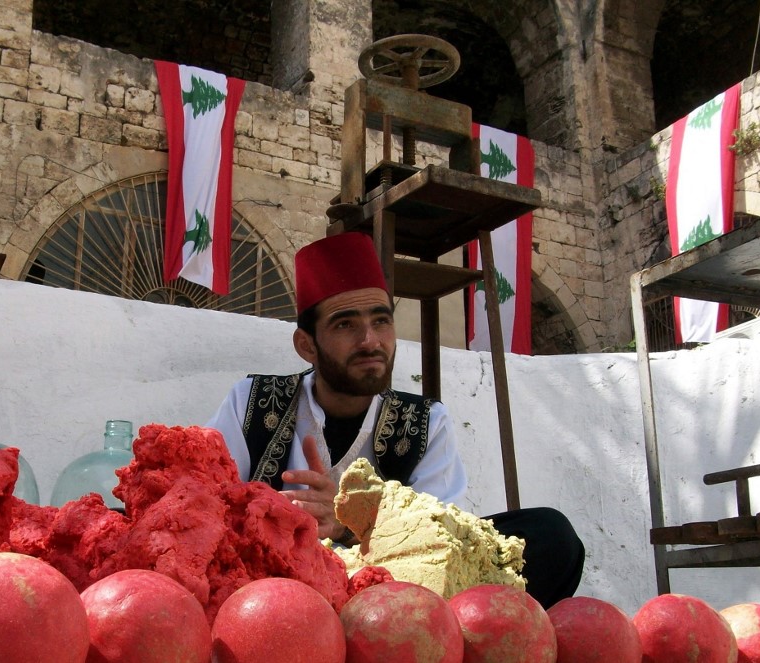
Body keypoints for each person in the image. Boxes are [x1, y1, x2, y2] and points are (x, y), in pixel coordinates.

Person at [206, 231, 584, 608]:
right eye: (345, 325)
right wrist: (280, 525)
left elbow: (440, 541)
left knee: (551, 537)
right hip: (273, 591)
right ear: (307, 345)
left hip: (388, 599)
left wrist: (347, 523)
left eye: (381, 321)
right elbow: (210, 503)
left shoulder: (424, 423)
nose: (370, 341)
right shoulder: (252, 403)